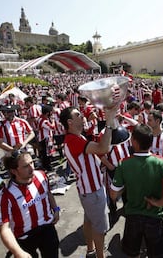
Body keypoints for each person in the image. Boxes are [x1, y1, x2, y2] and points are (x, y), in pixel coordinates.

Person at [110, 124, 163, 258]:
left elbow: (114, 194)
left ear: (134, 141)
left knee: (132, 253)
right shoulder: (162, 162)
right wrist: (160, 203)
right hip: (154, 218)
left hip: (133, 216)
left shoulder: (124, 163)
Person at [60, 105, 118, 258]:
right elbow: (103, 148)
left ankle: (90, 250)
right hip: (92, 191)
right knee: (100, 228)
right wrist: (109, 122)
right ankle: (100, 255)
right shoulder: (73, 140)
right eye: (78, 114)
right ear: (70, 122)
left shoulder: (76, 137)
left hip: (88, 190)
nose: (82, 115)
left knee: (89, 220)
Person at [0, 150, 60, 258]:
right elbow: (4, 229)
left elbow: (48, 193)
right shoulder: (6, 196)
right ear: (14, 171)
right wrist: (18, 252)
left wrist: (56, 209)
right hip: (24, 237)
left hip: (47, 228)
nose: (32, 168)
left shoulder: (42, 176)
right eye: (26, 166)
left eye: (32, 162)